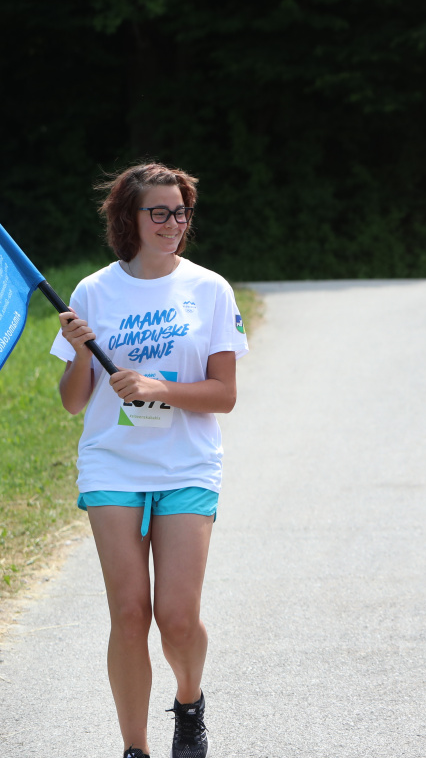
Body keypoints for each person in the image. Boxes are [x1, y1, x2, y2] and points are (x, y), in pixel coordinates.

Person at [50, 163, 249, 758]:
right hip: (112, 463)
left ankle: (189, 704)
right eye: (158, 212)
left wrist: (157, 388)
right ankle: (134, 748)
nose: (173, 223)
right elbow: (72, 402)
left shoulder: (210, 289)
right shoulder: (93, 291)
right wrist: (81, 355)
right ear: (128, 218)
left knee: (177, 618)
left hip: (186, 465)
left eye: (180, 212)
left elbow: (225, 395)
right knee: (130, 612)